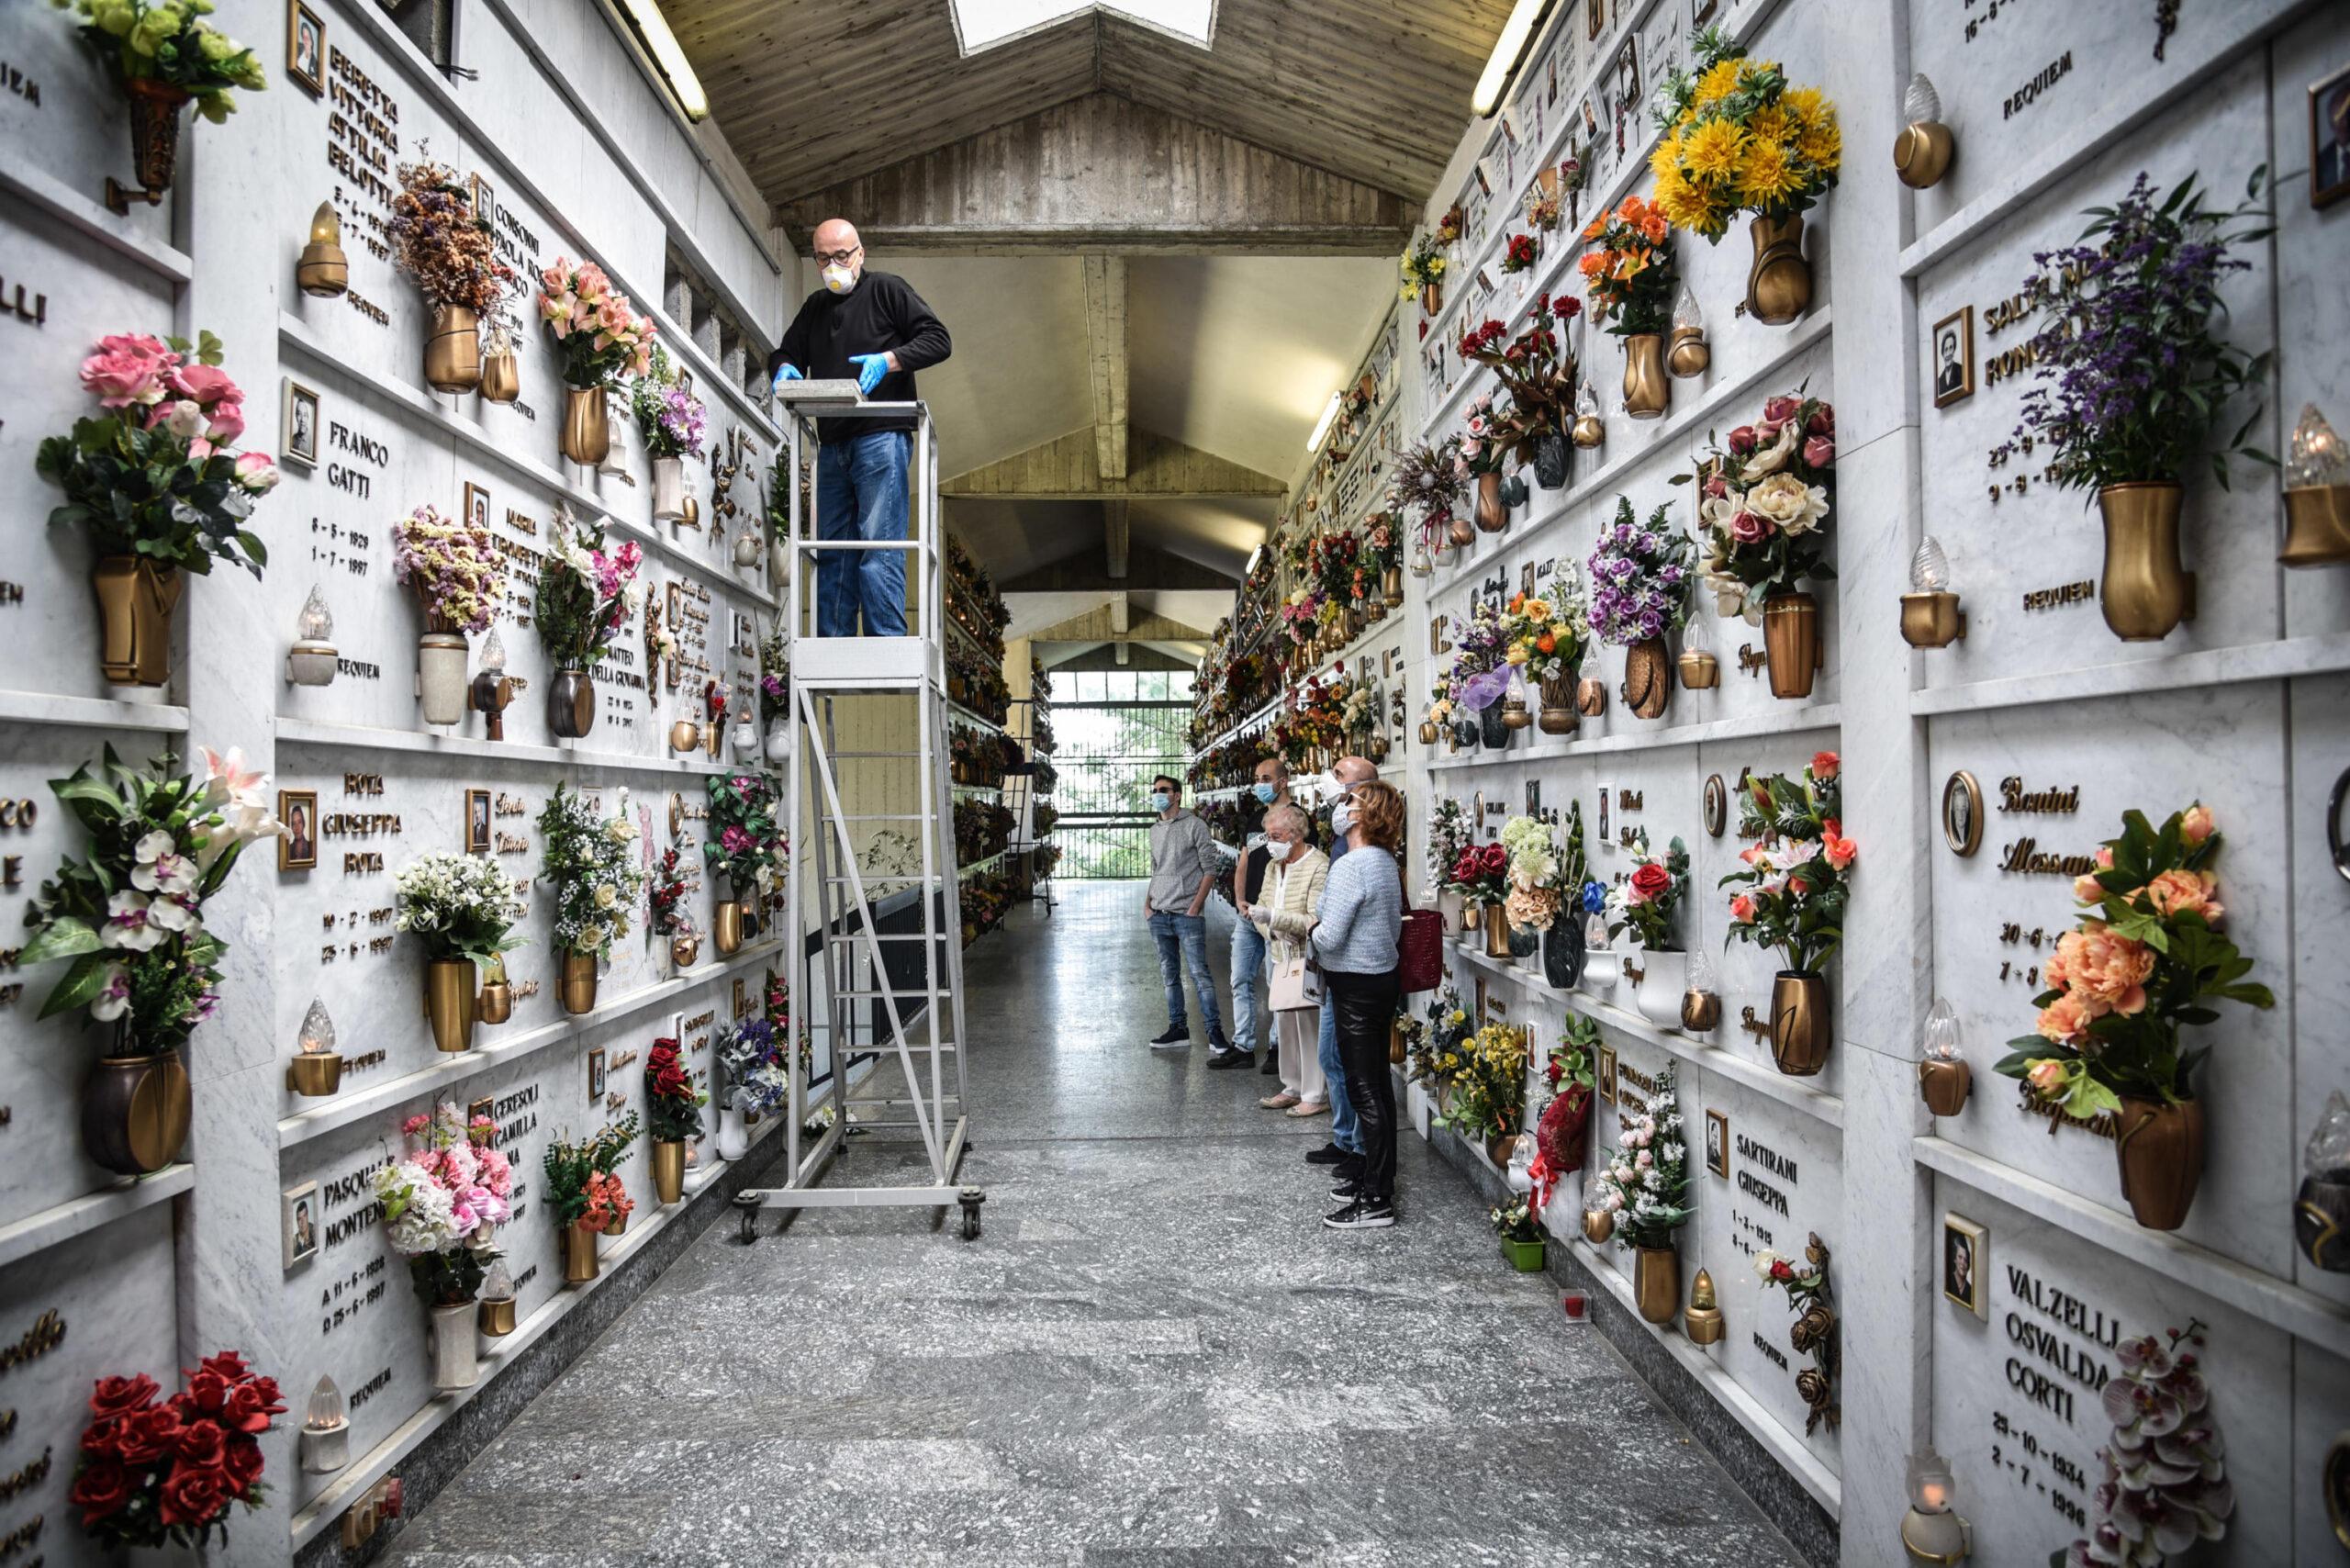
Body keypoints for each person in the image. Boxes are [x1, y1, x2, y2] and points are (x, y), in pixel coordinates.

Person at [767, 218, 951, 638]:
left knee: (878, 543)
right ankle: (834, 640)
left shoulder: (887, 290)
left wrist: (888, 361)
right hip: (832, 444)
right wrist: (783, 368)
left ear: (860, 254)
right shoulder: (815, 307)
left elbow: (939, 339)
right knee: (835, 550)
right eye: (823, 258)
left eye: (841, 256)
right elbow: (783, 352)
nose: (833, 265)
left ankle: (886, 639)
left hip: (882, 438)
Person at [1311, 778, 1405, 1229]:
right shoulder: (1386, 861)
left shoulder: (1351, 865)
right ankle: (1376, 1176)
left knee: (1363, 1088)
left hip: (1354, 984)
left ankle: (1377, 1199)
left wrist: (1310, 931)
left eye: (1349, 801)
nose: (1341, 806)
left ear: (1363, 815)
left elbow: (1330, 937)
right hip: (1382, 980)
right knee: (1379, 1087)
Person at [1304, 755, 1378, 1174]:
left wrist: (1317, 931)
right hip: (1336, 965)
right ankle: (1343, 1136)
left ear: (1361, 791)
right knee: (1331, 1056)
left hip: (1353, 968)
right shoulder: (1342, 838)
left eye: (1339, 776)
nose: (1329, 780)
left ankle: (1358, 1149)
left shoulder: (1365, 854)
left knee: (1346, 1060)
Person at [1249, 804, 1329, 1114]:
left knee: (1309, 1026)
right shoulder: (1273, 865)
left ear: (1296, 836)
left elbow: (1313, 919)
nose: (1270, 842)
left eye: (1276, 836)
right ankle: (1292, 1086)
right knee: (1284, 1023)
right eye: (1268, 836)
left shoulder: (1317, 865)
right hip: (1280, 956)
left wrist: (1274, 919)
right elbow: (1260, 907)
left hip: (1307, 959)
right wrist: (1268, 929)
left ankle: (1315, 1094)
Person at [1144, 773, 1229, 1054]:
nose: (1157, 794)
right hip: (1159, 913)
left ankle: (1215, 1032)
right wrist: (1148, 904)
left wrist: (1195, 907)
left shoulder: (1195, 826)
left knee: (1199, 975)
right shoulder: (1155, 829)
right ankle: (1178, 1028)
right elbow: (1156, 868)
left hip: (1187, 915)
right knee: (1169, 975)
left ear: (1177, 795)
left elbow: (1210, 869)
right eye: (1155, 790)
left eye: (1163, 790)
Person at [1227, 756, 1294, 1076]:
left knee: (1275, 983)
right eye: (1257, 778)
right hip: (1247, 915)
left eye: (1266, 778)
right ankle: (1242, 1045)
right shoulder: (1255, 818)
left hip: (1274, 917)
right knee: (1240, 980)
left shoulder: (1297, 819)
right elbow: (1243, 863)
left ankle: (1277, 1048)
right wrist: (1239, 899)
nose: (1260, 784)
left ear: (1282, 781)